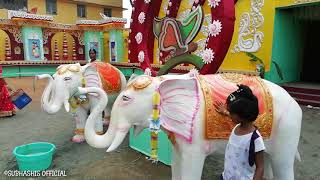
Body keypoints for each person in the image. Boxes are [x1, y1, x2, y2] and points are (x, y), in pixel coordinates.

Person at [215, 85, 265, 180]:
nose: (230, 114)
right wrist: (224, 112)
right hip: (226, 177)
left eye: (232, 113)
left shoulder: (255, 139)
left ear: (243, 115)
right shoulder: (237, 126)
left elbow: (260, 167)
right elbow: (234, 116)